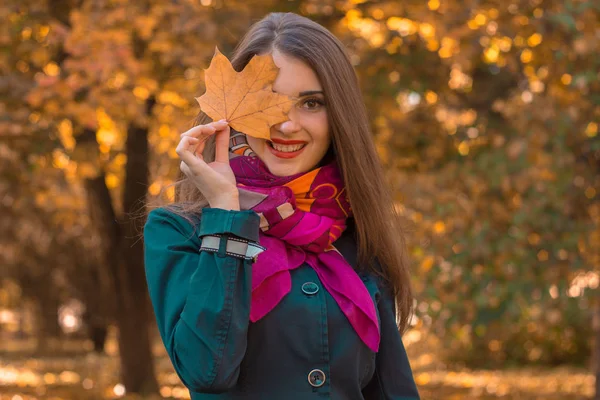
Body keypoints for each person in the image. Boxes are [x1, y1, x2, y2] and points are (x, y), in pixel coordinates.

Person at [143, 12, 420, 400]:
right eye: (268, 102)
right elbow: (206, 371)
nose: (287, 125)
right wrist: (227, 214)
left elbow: (393, 389)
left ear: (339, 115)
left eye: (311, 103)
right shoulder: (178, 232)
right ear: (233, 113)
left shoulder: (357, 229)